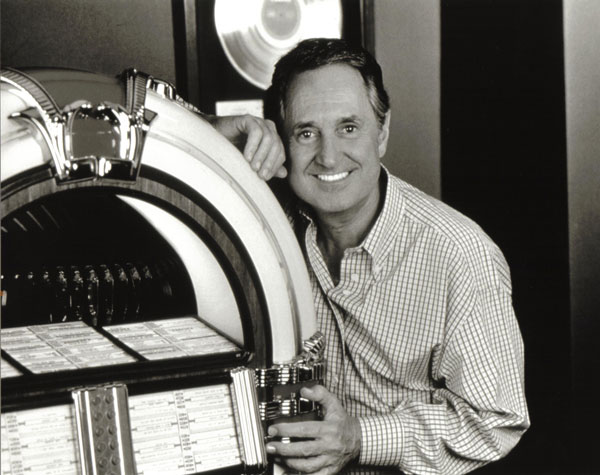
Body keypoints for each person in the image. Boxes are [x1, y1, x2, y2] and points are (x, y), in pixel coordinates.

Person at [244, 38, 529, 475]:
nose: (328, 155)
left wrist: (359, 437)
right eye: (306, 132)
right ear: (282, 142)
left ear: (384, 132)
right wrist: (222, 129)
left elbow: (496, 422)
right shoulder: (267, 223)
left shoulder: (460, 255)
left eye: (349, 128)